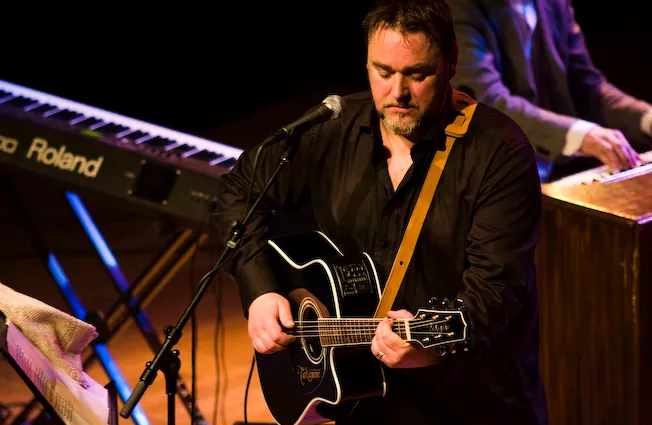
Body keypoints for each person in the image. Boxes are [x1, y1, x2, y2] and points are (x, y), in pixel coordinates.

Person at [214, 0, 548, 423]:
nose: (398, 93)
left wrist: (432, 346)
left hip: (470, 401)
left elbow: (496, 289)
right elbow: (238, 191)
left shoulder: (499, 151)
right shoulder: (332, 129)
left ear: (451, 63)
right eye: (383, 72)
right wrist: (260, 290)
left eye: (417, 74)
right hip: (360, 399)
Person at [448, 0, 652, 182]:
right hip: (487, 179)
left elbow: (586, 87)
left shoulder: (555, 3)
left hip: (553, 174)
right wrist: (580, 134)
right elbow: (486, 102)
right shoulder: (455, 8)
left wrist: (646, 118)